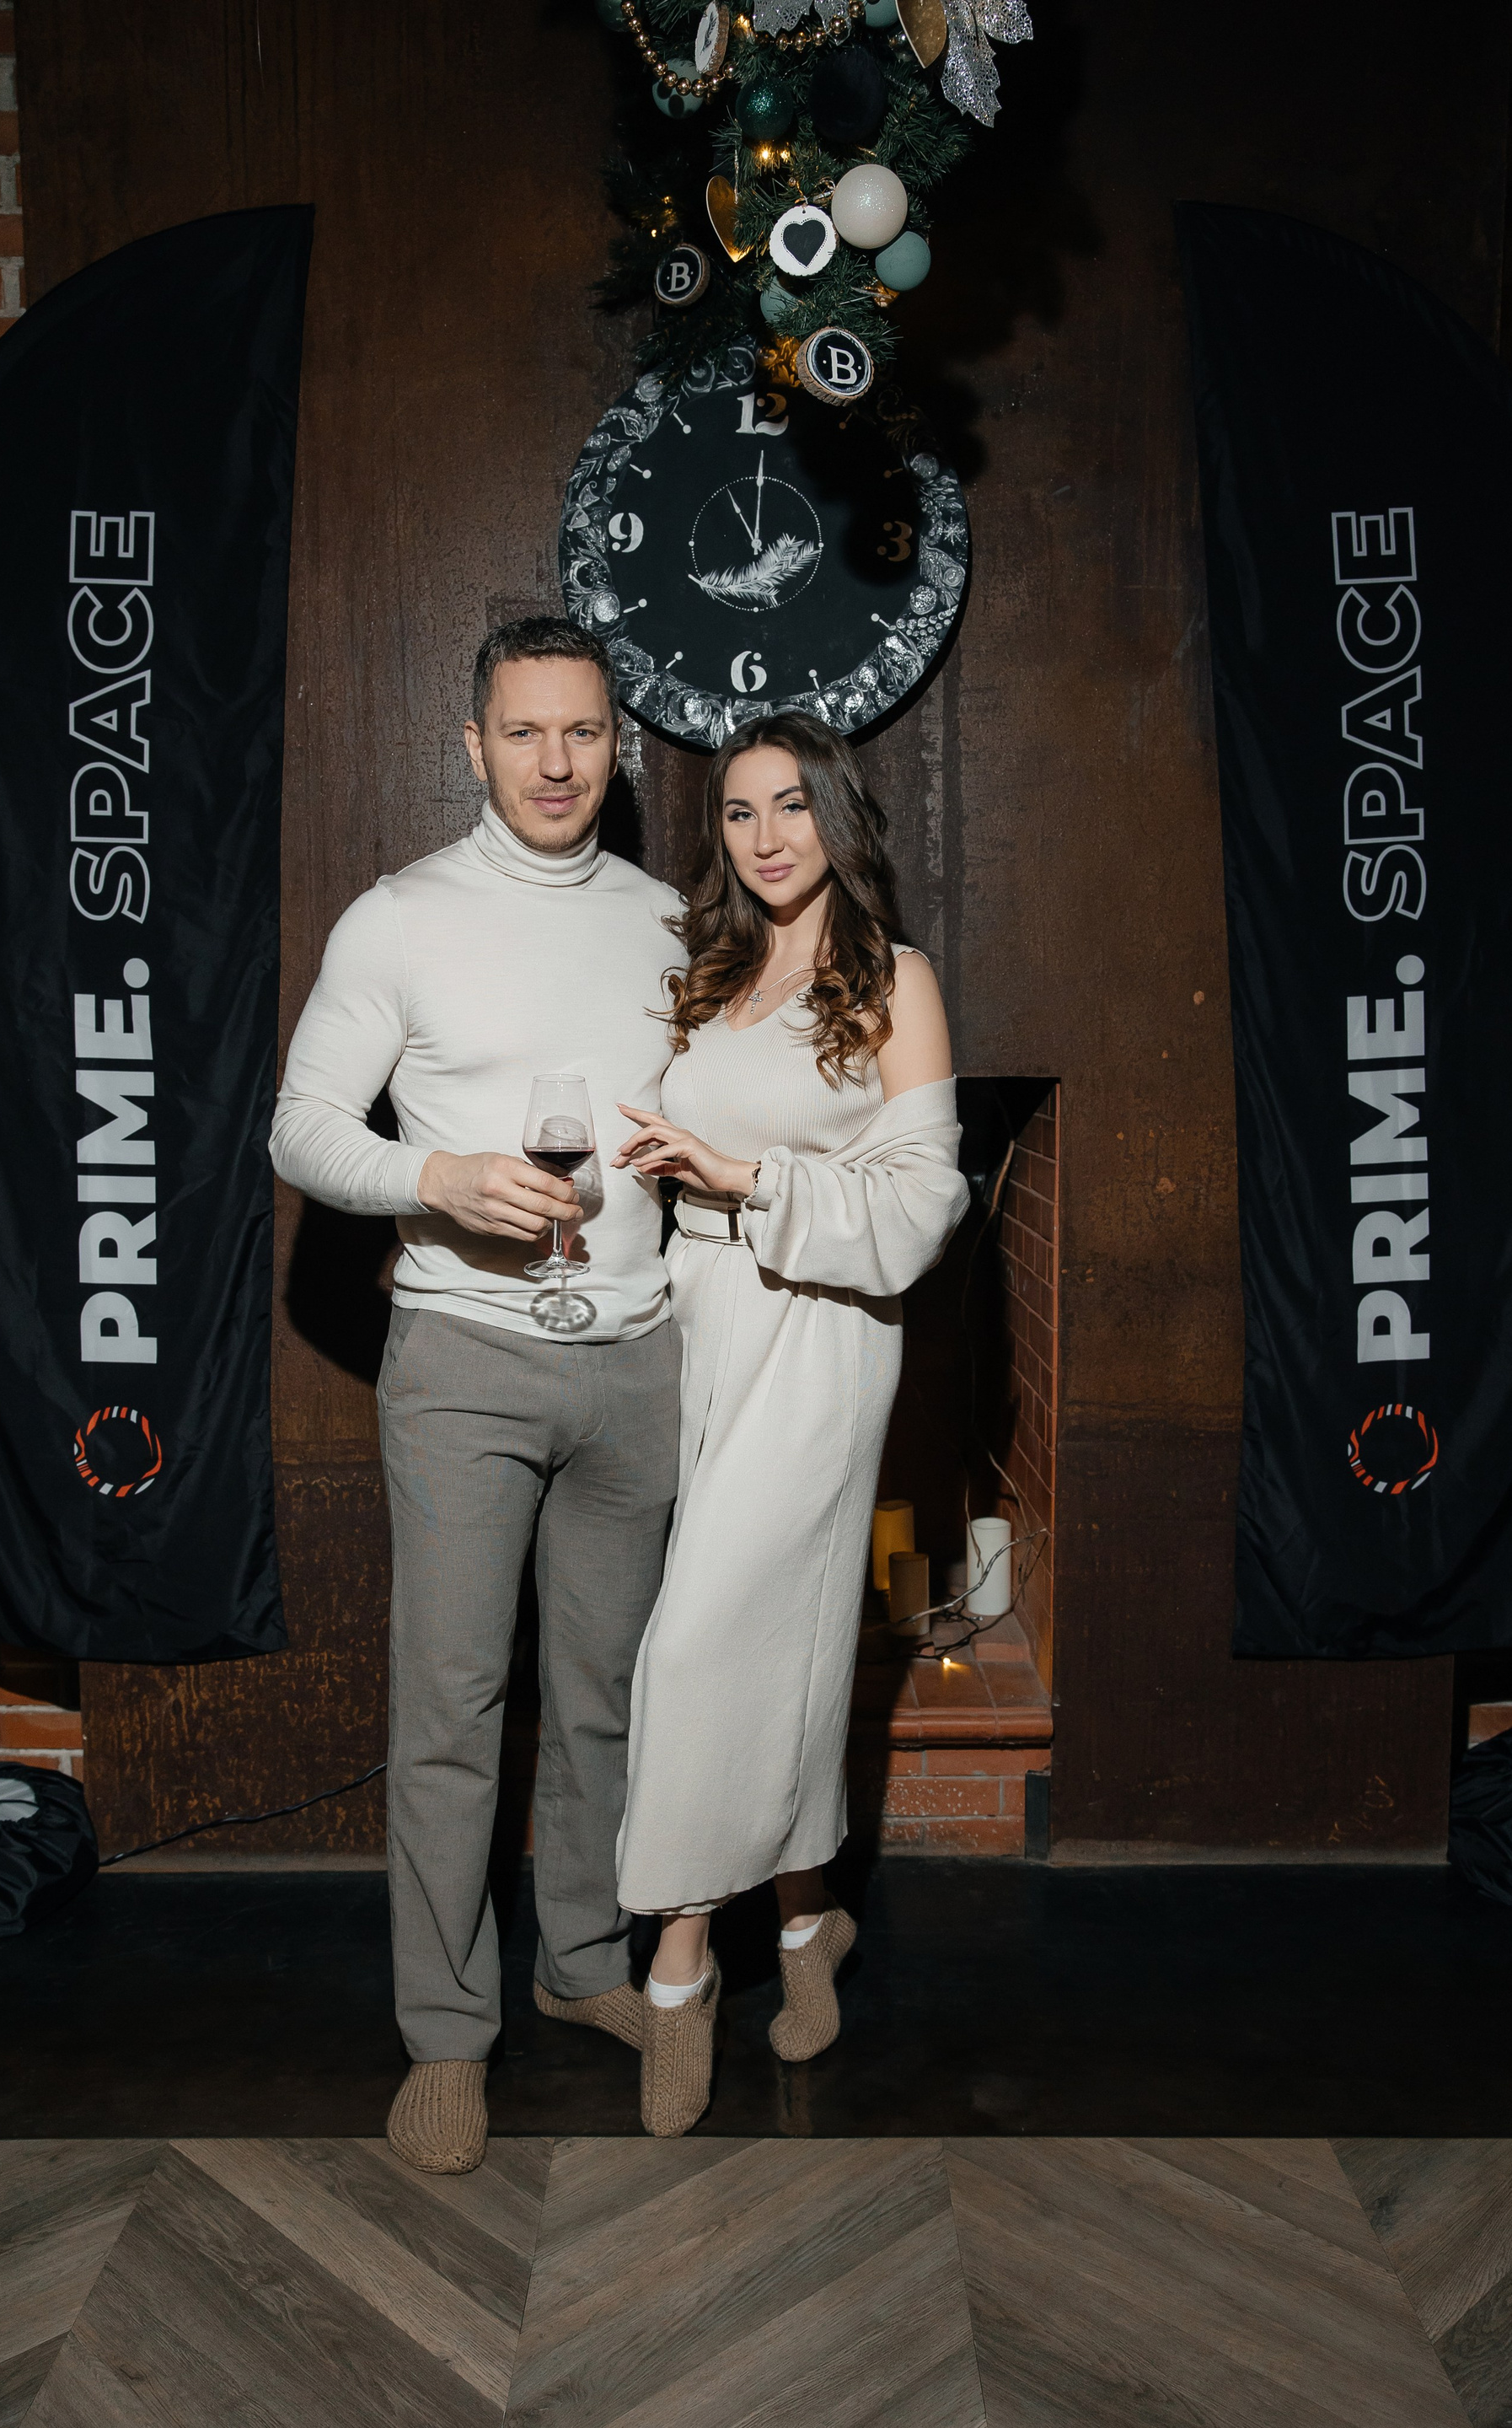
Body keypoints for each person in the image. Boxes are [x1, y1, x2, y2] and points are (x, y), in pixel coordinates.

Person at [270, 616, 683, 2175]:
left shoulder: (670, 922)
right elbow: (302, 1126)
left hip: (639, 1360)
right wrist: (432, 1180)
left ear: (617, 747)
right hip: (462, 1362)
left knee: (604, 1697)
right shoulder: (401, 920)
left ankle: (581, 1963)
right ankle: (447, 2035)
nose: (556, 763)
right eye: (525, 732)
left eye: (584, 732)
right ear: (474, 746)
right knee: (453, 1708)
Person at [611, 710, 969, 2137]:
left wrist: (749, 1178)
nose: (766, 837)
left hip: (818, 1329)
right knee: (776, 1643)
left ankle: (680, 1965)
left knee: (703, 1637)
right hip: (693, 1315)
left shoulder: (894, 981)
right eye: (740, 812)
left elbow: (925, 1204)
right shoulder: (710, 974)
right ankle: (812, 1917)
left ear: (839, 815)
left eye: (791, 806)